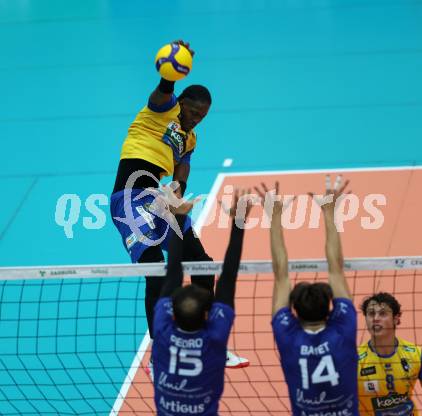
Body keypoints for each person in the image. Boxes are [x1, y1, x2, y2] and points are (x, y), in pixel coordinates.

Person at [110, 40, 248, 375]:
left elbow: (182, 167)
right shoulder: (162, 110)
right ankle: (160, 350)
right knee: (156, 270)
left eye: (203, 116)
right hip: (130, 199)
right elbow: (161, 93)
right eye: (194, 112)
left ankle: (209, 340)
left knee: (202, 266)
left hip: (161, 200)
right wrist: (172, 72)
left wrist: (178, 190)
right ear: (182, 103)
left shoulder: (189, 138)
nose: (198, 119)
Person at [256, 176, 359, 416]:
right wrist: (330, 213)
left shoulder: (287, 335)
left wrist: (275, 219)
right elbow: (336, 267)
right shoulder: (343, 328)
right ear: (331, 309)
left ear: (294, 311)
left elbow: (281, 275)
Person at [152, 189, 253, 415]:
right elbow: (227, 277)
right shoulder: (214, 338)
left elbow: (175, 274)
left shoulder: (162, 330)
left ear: (173, 315)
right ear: (207, 316)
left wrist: (176, 217)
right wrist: (238, 224)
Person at [358, 292, 422, 414]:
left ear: (396, 319)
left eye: (382, 313)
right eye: (371, 314)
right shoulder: (354, 359)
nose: (375, 318)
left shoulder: (415, 354)